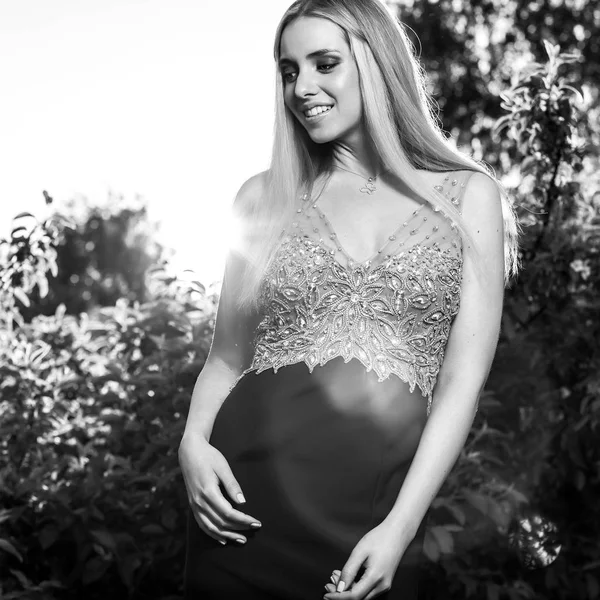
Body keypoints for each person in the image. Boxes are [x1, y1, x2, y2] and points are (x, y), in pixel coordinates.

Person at [179, 0, 520, 598]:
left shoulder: (467, 196)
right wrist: (192, 445)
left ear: (375, 62)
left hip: (374, 515)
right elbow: (227, 355)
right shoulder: (261, 198)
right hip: (240, 510)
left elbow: (460, 385)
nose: (301, 87)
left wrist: (400, 528)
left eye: (324, 63)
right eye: (289, 70)